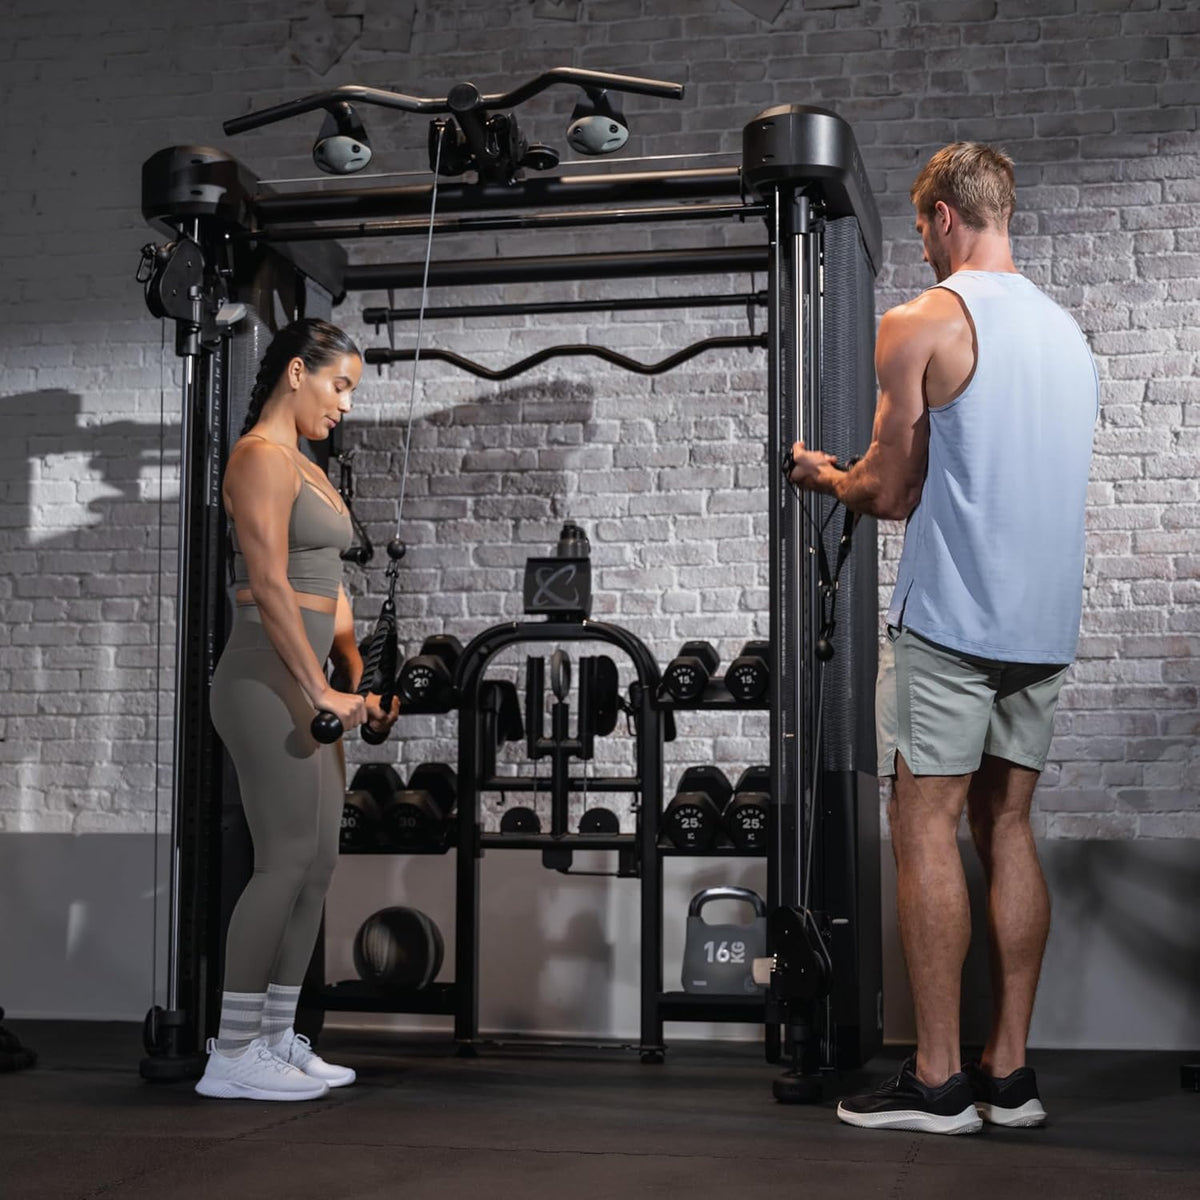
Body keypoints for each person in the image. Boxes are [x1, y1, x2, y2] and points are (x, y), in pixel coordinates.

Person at [789, 143, 1098, 1135]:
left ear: (942, 217)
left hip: (956, 624)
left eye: (924, 227)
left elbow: (893, 491)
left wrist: (824, 476)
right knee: (1007, 828)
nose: (922, 245)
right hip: (1041, 625)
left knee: (923, 827)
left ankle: (935, 1081)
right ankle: (1008, 1074)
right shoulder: (1068, 338)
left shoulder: (922, 321)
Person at [195, 318, 398, 1102]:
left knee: (315, 867)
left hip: (308, 678)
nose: (344, 403)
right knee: (280, 863)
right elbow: (272, 584)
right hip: (262, 679)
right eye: (337, 385)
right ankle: (232, 1053)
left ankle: (276, 1039)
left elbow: (326, 585)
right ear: (293, 373)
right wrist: (316, 689)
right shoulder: (258, 459)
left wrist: (353, 674)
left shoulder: (310, 466)